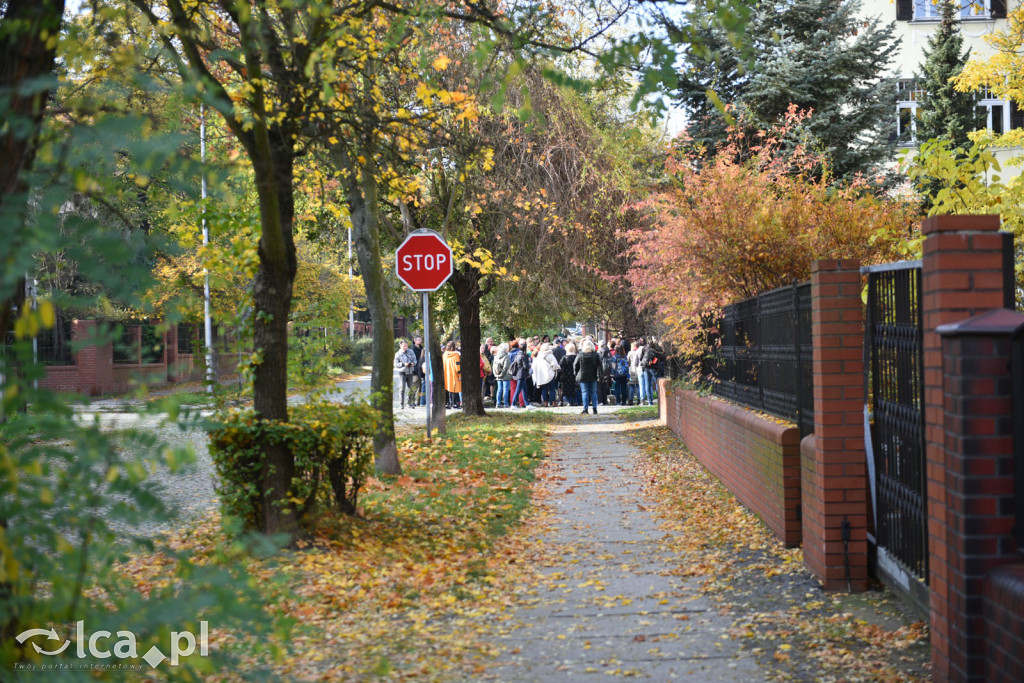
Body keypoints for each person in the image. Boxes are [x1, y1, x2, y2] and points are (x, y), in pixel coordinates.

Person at [574, 339, 603, 414]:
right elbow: (600, 365)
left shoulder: (580, 354)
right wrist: (601, 375)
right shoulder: (595, 354)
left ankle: (585, 409)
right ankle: (594, 409)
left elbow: (575, 364)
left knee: (584, 392)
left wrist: (576, 373)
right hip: (593, 375)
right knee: (593, 392)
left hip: (583, 376)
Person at [532, 342, 560, 407]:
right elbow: (555, 365)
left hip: (542, 375)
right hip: (550, 374)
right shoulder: (550, 355)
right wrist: (556, 368)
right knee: (552, 389)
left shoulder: (538, 356)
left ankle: (545, 402)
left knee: (544, 389)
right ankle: (553, 402)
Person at [393, 339, 418, 409]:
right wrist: (403, 364)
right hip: (402, 373)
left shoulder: (411, 352)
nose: (405, 347)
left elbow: (415, 360)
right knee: (402, 389)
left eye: (406, 346)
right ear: (400, 346)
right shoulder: (397, 354)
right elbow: (395, 364)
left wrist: (413, 363)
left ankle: (410, 403)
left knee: (411, 388)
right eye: (404, 346)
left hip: (410, 372)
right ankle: (401, 404)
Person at [509, 341, 532, 409]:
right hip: (521, 375)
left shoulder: (518, 355)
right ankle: (513, 404)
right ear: (525, 349)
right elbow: (525, 366)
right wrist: (530, 365)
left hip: (519, 374)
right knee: (518, 390)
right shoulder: (523, 355)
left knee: (524, 390)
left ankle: (527, 405)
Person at [641, 340, 662, 405]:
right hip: (653, 368)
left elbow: (641, 358)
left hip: (646, 368)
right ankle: (660, 399)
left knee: (648, 385)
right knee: (657, 383)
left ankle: (650, 401)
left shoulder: (644, 349)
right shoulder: (655, 351)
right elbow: (659, 360)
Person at [442, 341, 462, 409]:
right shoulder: (456, 355)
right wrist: (459, 375)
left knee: (447, 389)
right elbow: (457, 366)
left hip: (446, 374)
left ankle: (447, 403)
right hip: (454, 375)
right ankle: (455, 403)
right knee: (454, 389)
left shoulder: (444, 355)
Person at [559, 342, 579, 406]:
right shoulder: (576, 357)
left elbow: (561, 366)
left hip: (566, 376)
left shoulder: (564, 357)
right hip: (575, 375)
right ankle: (576, 401)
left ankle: (570, 401)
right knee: (574, 388)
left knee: (567, 389)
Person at [492, 342, 512, 408]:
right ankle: (506, 404)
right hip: (505, 376)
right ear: (506, 348)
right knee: (505, 390)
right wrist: (502, 374)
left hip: (498, 375)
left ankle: (498, 403)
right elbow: (506, 367)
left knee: (499, 390)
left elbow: (493, 366)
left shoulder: (496, 356)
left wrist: (496, 375)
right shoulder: (506, 356)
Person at [411, 335, 424, 406]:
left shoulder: (422, 348)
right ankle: (411, 401)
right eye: (419, 340)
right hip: (415, 371)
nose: (420, 341)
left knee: (421, 387)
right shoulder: (412, 350)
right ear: (415, 341)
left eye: (421, 340)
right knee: (414, 387)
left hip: (421, 370)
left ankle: (418, 401)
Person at [627, 341, 642, 405]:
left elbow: (628, 361)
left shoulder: (630, 353)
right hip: (638, 369)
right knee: (638, 386)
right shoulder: (640, 352)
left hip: (632, 370)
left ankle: (630, 400)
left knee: (632, 386)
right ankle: (639, 399)